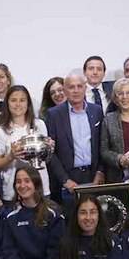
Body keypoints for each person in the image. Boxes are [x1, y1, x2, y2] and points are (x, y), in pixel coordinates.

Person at [2, 167, 65, 259]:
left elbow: (54, 252)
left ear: (36, 183)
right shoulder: (10, 216)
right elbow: (10, 251)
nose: (22, 185)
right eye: (18, 182)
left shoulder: (52, 213)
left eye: (27, 181)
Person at [46, 72, 105, 208]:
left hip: (94, 177)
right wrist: (65, 180)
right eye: (71, 87)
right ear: (65, 90)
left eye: (79, 86)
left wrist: (100, 172)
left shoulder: (97, 111)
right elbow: (50, 152)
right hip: (68, 179)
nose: (76, 90)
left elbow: (103, 144)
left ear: (85, 88)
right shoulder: (54, 114)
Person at [0, 85, 51, 204]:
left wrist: (49, 149)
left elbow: (46, 160)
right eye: (13, 100)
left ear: (28, 103)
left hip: (41, 187)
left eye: (22, 100)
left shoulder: (40, 125)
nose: (18, 104)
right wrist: (11, 156)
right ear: (7, 103)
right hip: (13, 192)